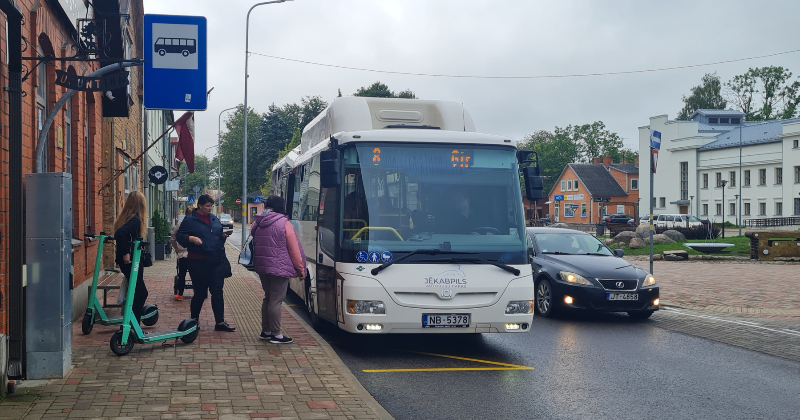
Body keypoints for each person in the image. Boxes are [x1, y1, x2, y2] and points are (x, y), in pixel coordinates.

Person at [250, 195, 305, 344]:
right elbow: (294, 249)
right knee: (276, 300)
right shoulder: (283, 223)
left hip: (262, 266)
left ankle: (266, 331)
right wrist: (300, 269)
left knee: (268, 297)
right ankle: (276, 334)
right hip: (279, 267)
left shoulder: (257, 222)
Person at [176, 195, 235, 332]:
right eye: (207, 206)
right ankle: (193, 321)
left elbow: (216, 236)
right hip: (198, 262)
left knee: (217, 292)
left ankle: (219, 323)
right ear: (200, 205)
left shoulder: (214, 219)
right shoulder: (190, 220)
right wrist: (191, 238)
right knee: (200, 293)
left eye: (211, 206)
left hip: (216, 261)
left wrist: (222, 237)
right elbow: (180, 236)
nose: (210, 208)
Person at [112, 191, 150, 325]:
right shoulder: (135, 219)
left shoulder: (125, 217)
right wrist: (125, 253)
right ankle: (133, 324)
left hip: (128, 261)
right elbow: (121, 233)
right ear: (140, 204)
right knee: (139, 293)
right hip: (132, 260)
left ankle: (132, 323)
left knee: (138, 291)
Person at [169, 206, 193, 301]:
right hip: (194, 254)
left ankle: (180, 294)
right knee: (195, 274)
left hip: (182, 254)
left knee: (181, 274)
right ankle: (199, 292)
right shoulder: (197, 225)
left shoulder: (180, 225)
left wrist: (176, 248)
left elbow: (172, 238)